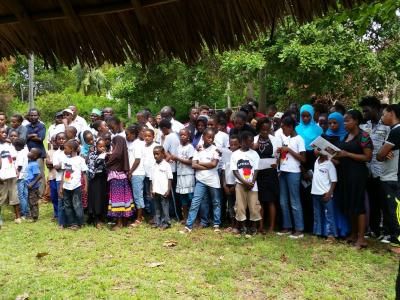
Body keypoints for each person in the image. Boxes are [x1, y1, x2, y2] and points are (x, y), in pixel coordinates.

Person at [335, 109, 373, 249]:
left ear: (356, 121)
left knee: (358, 204)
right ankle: (353, 233)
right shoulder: (346, 136)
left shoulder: (363, 136)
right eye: (344, 121)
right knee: (349, 203)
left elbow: (367, 157)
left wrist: (347, 154)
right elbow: (341, 155)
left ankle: (362, 238)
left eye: (347, 120)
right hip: (345, 173)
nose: (344, 123)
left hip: (357, 174)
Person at [359, 96, 391, 240]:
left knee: (384, 201)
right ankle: (373, 229)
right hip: (367, 170)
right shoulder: (363, 127)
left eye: (366, 111)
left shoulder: (386, 127)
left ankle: (386, 231)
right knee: (371, 201)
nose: (364, 114)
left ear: (376, 109)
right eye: (363, 111)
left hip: (382, 170)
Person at [182, 128, 221, 233]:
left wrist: (201, 163)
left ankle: (216, 224)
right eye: (208, 137)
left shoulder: (216, 150)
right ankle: (188, 226)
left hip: (213, 180)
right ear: (203, 137)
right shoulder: (198, 149)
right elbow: (194, 165)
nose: (210, 139)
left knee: (216, 202)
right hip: (201, 180)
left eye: (212, 137)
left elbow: (214, 164)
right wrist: (207, 166)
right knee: (196, 202)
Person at [277, 116, 306, 239]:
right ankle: (287, 226)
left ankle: (299, 228)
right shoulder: (287, 139)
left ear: (290, 127)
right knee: (283, 201)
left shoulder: (299, 139)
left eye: (283, 128)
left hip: (294, 172)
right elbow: (285, 156)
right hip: (283, 171)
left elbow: (303, 159)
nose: (282, 131)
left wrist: (288, 150)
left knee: (294, 200)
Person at [296, 104, 323, 232]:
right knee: (301, 194)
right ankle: (303, 225)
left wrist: (311, 170)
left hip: (314, 162)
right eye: (303, 116)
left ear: (312, 116)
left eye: (308, 116)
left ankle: (314, 225)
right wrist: (302, 169)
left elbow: (321, 149)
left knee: (312, 195)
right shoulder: (296, 129)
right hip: (299, 162)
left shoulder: (318, 130)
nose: (305, 118)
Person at [377, 104, 400, 252]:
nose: (382, 117)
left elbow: (379, 155)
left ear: (391, 113)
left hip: (392, 176)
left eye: (384, 114)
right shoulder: (393, 131)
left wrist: (383, 153)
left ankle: (397, 242)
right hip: (389, 175)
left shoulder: (396, 131)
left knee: (393, 210)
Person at [324, 112, 349, 238]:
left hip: (341, 173)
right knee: (329, 201)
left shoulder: (346, 137)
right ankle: (329, 229)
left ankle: (342, 229)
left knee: (340, 201)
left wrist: (330, 157)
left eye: (335, 123)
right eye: (330, 123)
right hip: (326, 174)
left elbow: (342, 159)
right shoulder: (325, 136)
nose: (332, 125)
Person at [231, 131, 261, 235]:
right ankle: (243, 227)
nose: (251, 143)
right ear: (243, 141)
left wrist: (252, 182)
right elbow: (235, 171)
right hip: (240, 184)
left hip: (252, 185)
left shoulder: (255, 154)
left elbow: (256, 170)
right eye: (249, 141)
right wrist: (244, 182)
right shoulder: (235, 154)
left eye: (252, 141)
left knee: (254, 206)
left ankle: (253, 227)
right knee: (240, 206)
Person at [253, 118, 281, 234]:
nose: (265, 132)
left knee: (271, 200)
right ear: (259, 129)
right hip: (258, 173)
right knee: (260, 200)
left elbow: (279, 156)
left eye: (267, 130)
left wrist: (277, 164)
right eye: (263, 130)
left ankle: (271, 227)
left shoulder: (275, 139)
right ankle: (260, 226)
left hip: (271, 172)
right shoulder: (254, 140)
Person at [105, 136, 134, 230]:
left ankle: (119, 223)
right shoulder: (122, 152)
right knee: (124, 200)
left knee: (117, 201)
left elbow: (107, 163)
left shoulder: (115, 154)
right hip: (123, 178)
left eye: (113, 143)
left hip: (116, 179)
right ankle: (125, 221)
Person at [58, 140, 88, 229]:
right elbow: (64, 173)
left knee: (77, 204)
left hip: (76, 186)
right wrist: (61, 186)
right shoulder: (65, 159)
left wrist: (86, 186)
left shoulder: (80, 160)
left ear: (71, 149)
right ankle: (72, 223)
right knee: (67, 205)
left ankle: (80, 222)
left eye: (65, 148)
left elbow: (84, 173)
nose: (64, 150)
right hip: (66, 186)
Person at [311, 151, 338, 242]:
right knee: (317, 214)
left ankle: (331, 234)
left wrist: (330, 193)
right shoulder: (316, 161)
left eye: (318, 149)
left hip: (325, 193)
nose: (315, 151)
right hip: (315, 192)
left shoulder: (329, 164)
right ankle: (317, 233)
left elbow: (334, 180)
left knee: (329, 215)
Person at [170, 128, 195, 224]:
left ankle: (193, 218)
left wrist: (178, 158)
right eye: (180, 135)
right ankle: (185, 218)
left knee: (190, 198)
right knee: (183, 198)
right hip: (180, 175)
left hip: (188, 175)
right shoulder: (179, 147)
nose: (182, 137)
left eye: (184, 135)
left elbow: (191, 162)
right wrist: (174, 159)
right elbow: (178, 159)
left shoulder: (190, 147)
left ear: (188, 137)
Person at [159, 119, 180, 219]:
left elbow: (162, 151)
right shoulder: (176, 135)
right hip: (176, 168)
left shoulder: (169, 137)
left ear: (164, 129)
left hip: (171, 169)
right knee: (174, 193)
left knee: (172, 193)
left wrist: (168, 156)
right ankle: (176, 214)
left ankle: (176, 215)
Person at [126, 125, 146, 226]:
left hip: (137, 173)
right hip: (134, 173)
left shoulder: (138, 144)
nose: (126, 136)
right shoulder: (132, 143)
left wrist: (130, 172)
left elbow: (137, 160)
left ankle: (139, 219)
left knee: (138, 196)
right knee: (135, 196)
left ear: (133, 134)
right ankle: (139, 216)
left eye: (128, 134)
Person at [0, 127, 20, 225]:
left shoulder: (9, 146)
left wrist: (16, 170)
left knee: (14, 195)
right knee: (1, 196)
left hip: (11, 174)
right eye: (2, 133)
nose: (4, 134)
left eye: (5, 133)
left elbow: (12, 159)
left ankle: (17, 216)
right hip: (2, 176)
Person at [150, 146, 173, 229]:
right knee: (157, 207)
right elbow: (151, 179)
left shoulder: (166, 165)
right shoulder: (153, 165)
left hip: (163, 190)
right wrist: (151, 189)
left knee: (164, 207)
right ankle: (157, 222)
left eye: (157, 154)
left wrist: (168, 190)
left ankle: (166, 223)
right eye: (154, 154)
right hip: (155, 190)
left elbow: (170, 178)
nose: (155, 156)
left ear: (162, 154)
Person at [87, 138, 108, 228]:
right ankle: (96, 219)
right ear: (96, 147)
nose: (102, 148)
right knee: (95, 199)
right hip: (94, 179)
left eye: (104, 146)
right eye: (100, 146)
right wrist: (100, 159)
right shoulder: (92, 155)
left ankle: (103, 217)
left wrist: (105, 158)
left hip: (103, 179)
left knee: (102, 198)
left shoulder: (107, 155)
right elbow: (92, 167)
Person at [26, 108, 46, 197]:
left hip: (39, 154)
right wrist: (32, 135)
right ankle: (31, 192)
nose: (33, 117)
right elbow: (23, 138)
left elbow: (40, 138)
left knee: (39, 173)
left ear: (38, 116)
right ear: (29, 116)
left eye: (35, 115)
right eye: (31, 115)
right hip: (29, 154)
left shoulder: (41, 126)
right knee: (30, 173)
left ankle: (40, 194)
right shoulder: (26, 127)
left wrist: (28, 136)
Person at [222, 134, 240, 233]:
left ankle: (237, 226)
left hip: (237, 184)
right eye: (231, 145)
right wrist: (224, 184)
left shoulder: (240, 156)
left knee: (237, 206)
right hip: (228, 184)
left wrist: (235, 185)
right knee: (230, 206)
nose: (233, 147)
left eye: (235, 145)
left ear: (239, 145)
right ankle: (231, 224)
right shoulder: (227, 154)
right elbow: (224, 171)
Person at [142, 128, 158, 219]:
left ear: (153, 137)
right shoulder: (143, 146)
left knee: (154, 194)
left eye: (149, 136)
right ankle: (150, 214)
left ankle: (156, 215)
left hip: (154, 175)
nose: (147, 138)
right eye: (145, 136)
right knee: (147, 195)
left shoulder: (156, 146)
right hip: (145, 174)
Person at [52, 132, 67, 227]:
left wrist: (63, 165)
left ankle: (71, 220)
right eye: (59, 139)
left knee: (70, 200)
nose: (61, 140)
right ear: (56, 141)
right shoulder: (56, 153)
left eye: (63, 138)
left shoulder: (69, 152)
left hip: (70, 179)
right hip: (59, 180)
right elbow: (56, 167)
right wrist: (67, 164)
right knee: (61, 200)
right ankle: (61, 222)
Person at [14, 138, 29, 218]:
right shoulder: (26, 151)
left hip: (20, 176)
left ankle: (24, 212)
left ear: (17, 146)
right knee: (25, 194)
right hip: (26, 175)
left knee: (20, 194)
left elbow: (19, 165)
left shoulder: (20, 153)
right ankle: (27, 210)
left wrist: (17, 174)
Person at [26, 148, 42, 221]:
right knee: (30, 201)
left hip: (33, 187)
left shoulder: (34, 164)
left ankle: (34, 217)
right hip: (29, 186)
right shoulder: (30, 163)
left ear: (35, 156)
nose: (29, 152)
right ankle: (32, 215)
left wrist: (32, 183)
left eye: (31, 152)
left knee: (33, 202)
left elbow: (39, 175)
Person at [46, 136, 58, 220]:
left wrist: (52, 162)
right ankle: (56, 213)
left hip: (61, 178)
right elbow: (48, 165)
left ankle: (61, 213)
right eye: (52, 141)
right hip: (52, 177)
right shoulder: (49, 152)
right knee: (54, 196)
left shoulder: (63, 151)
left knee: (60, 196)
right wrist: (56, 164)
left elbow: (51, 163)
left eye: (55, 140)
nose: (54, 142)